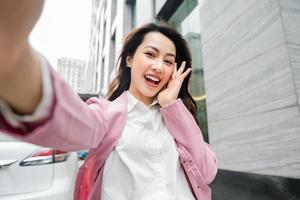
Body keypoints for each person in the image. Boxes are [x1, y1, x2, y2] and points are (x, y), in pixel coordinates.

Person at [0, 1, 217, 200]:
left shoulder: (178, 115)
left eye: (168, 61)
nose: (159, 67)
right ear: (130, 59)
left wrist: (172, 107)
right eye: (151, 54)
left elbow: (207, 171)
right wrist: (13, 60)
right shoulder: (104, 113)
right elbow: (74, 125)